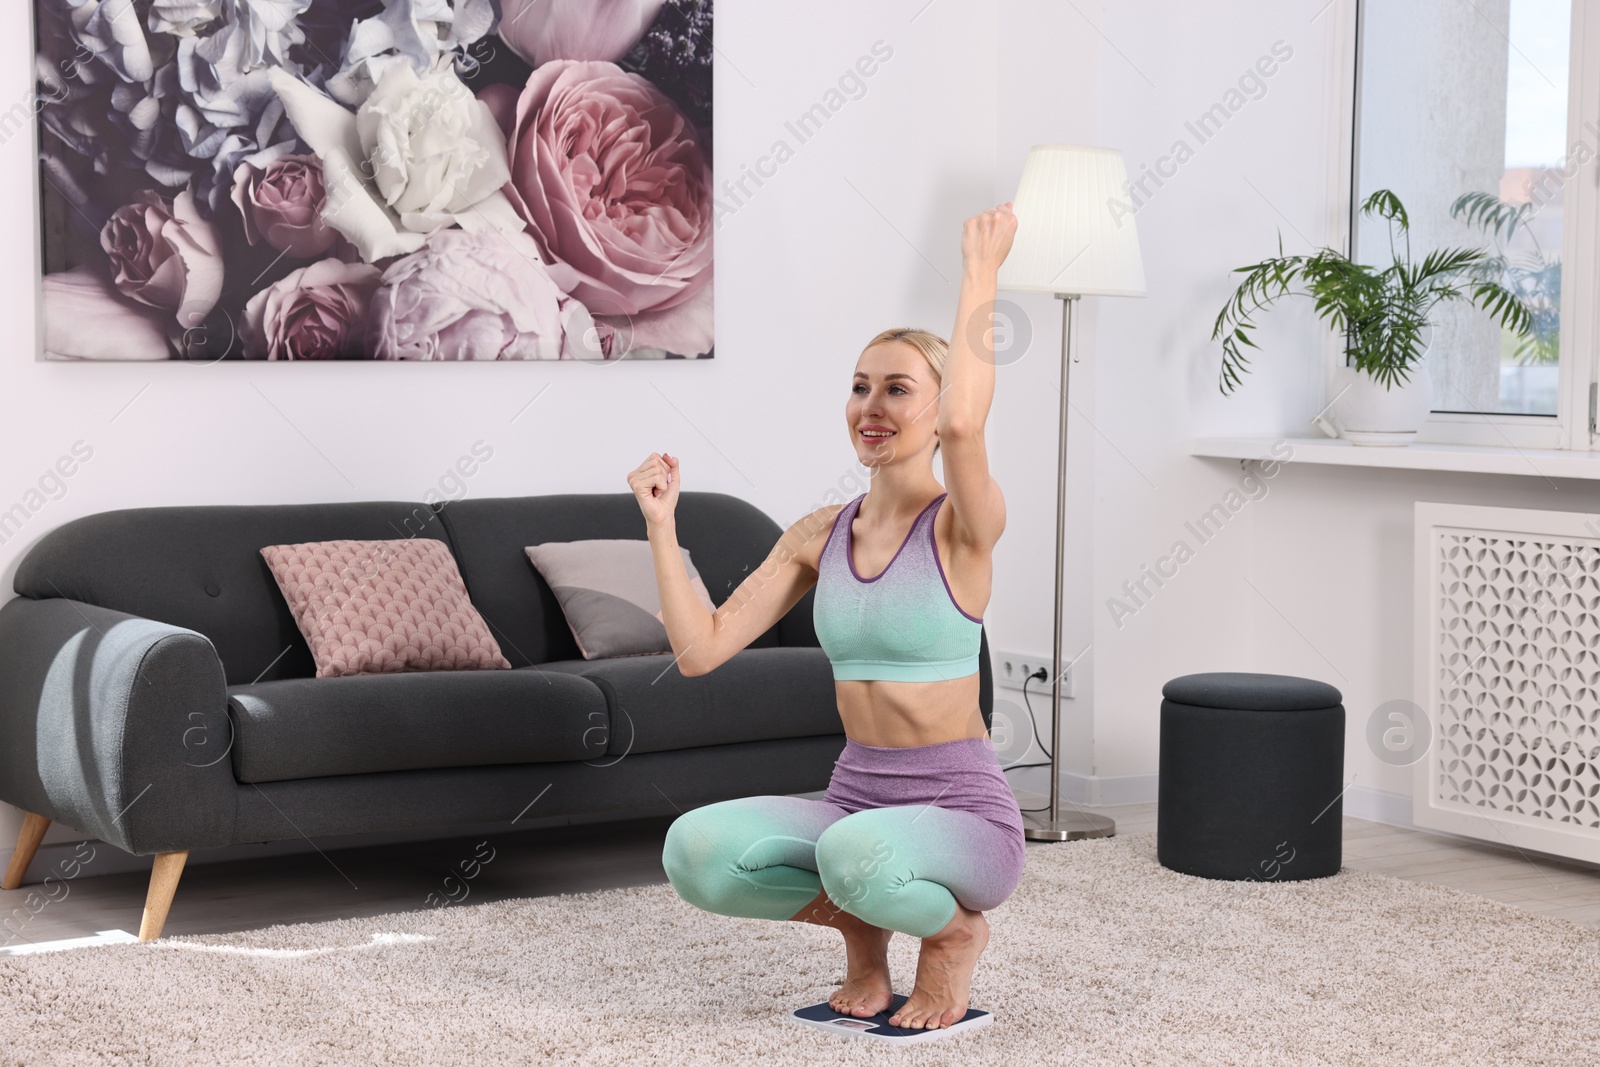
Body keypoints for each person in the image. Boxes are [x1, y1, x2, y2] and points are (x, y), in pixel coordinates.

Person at [627, 204, 1021, 1032]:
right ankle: (861, 932)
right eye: (859, 385)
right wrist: (662, 526)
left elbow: (964, 425)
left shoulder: (963, 525)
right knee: (694, 852)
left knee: (853, 855)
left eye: (898, 388)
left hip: (963, 816)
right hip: (857, 799)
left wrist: (981, 270)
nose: (871, 405)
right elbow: (699, 650)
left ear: (938, 406)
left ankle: (953, 936)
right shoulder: (818, 533)